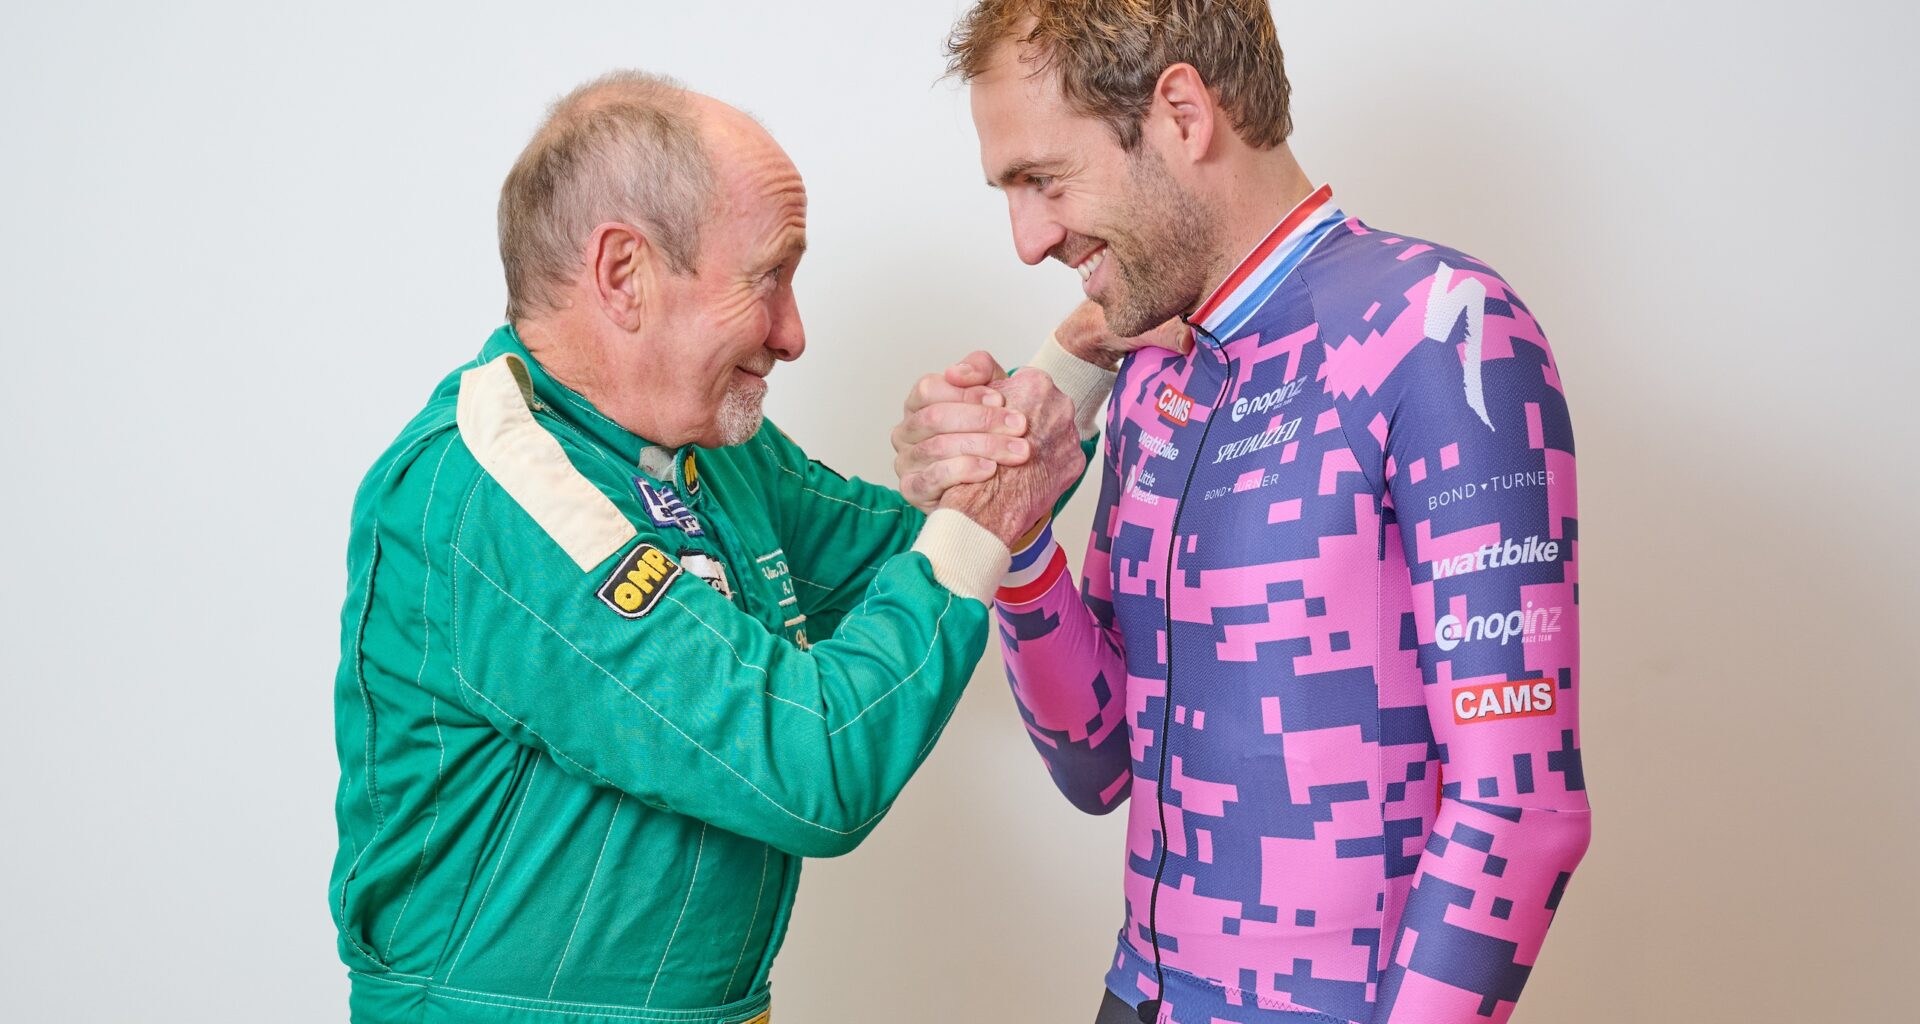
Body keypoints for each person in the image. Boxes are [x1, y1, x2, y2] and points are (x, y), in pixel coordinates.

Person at [327, 70, 1091, 1024]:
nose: (794, 334)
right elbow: (814, 762)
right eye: (769, 276)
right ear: (623, 274)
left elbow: (919, 552)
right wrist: (988, 505)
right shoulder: (496, 490)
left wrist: (1070, 369)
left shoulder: (701, 447)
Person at [894, 3, 1592, 1021]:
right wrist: (1020, 531)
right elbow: (1098, 763)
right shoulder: (1155, 369)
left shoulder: (1444, 329)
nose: (1028, 238)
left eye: (1044, 179)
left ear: (1182, 112)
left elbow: (1521, 809)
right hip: (1136, 994)